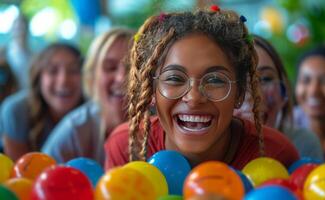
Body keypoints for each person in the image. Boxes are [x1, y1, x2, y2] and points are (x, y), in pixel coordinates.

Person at [104, 7, 299, 171]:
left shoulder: (275, 155)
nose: (194, 97)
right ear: (151, 91)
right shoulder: (128, 149)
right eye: (174, 78)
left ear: (239, 93)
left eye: (215, 80)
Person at [42, 29, 134, 165]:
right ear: (92, 76)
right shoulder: (73, 131)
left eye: (132, 68)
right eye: (110, 67)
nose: (121, 78)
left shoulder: (161, 123)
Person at [233, 35, 323, 160]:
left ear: (284, 91)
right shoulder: (203, 152)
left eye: (266, 79)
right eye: (240, 80)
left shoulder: (302, 144)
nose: (255, 94)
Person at [1, 43, 83, 161]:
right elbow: (21, 174)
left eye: (73, 70)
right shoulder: (16, 111)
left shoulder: (95, 114)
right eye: (53, 71)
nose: (64, 80)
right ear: (39, 77)